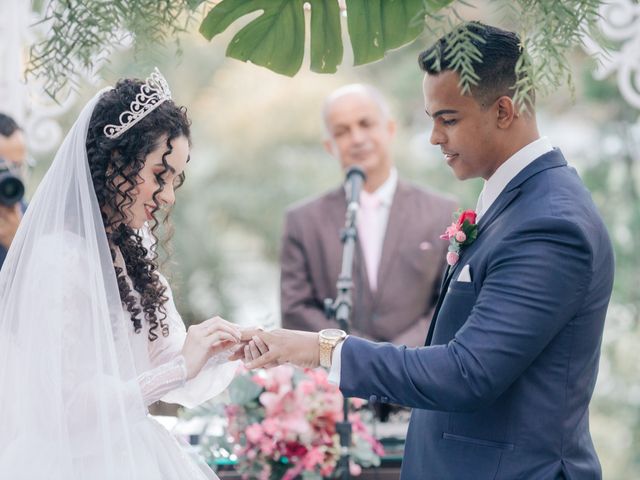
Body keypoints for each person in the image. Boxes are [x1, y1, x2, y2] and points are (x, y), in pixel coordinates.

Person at [239, 22, 615, 479]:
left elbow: (467, 372)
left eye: (448, 119)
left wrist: (321, 349)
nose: (435, 137)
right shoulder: (517, 203)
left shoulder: (550, 223)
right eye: (431, 119)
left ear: (503, 111)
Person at [0, 69, 251, 479]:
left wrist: (223, 346)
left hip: (136, 454)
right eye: (159, 175)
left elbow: (164, 358)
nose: (168, 196)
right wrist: (179, 369)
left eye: (175, 180)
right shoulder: (59, 259)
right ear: (116, 161)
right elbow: (65, 410)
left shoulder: (131, 251)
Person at [281, 84, 455, 347]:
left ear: (390, 129)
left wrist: (393, 359)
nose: (357, 138)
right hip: (335, 381)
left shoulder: (441, 211)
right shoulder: (302, 221)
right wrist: (356, 355)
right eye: (342, 131)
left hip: (417, 375)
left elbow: (449, 303)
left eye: (366, 124)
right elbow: (295, 311)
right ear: (330, 146)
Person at [0, 113, 28, 268]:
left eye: (18, 167)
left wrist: (15, 244)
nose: (9, 178)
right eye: (2, 169)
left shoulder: (34, 217)